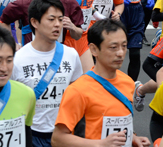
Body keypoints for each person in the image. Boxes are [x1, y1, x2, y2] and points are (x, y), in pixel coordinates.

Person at [52, 19, 151, 147]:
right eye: (113, 47)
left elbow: (118, 122)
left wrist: (132, 137)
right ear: (93, 50)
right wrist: (100, 144)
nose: (120, 53)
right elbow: (58, 139)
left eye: (124, 46)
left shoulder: (128, 82)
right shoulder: (78, 90)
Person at [11, 0, 82, 147]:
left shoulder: (71, 55)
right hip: (30, 134)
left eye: (60, 19)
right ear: (34, 22)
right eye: (51, 19)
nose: (57, 24)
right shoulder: (18, 59)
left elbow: (77, 93)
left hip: (64, 134)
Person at [57, 0, 96, 72]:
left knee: (89, 78)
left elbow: (88, 7)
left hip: (84, 39)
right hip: (67, 40)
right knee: (68, 79)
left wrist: (99, 15)